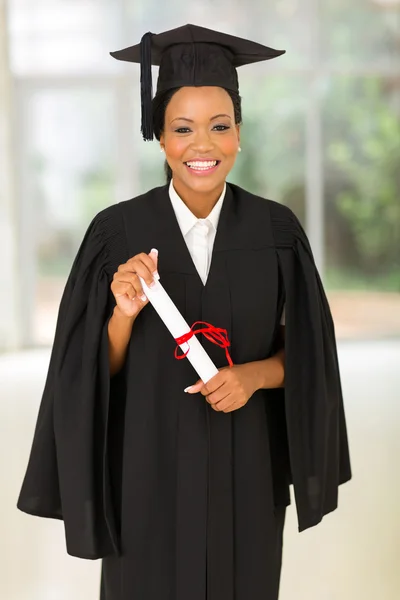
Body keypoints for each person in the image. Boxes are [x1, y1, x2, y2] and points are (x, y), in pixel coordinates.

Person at [17, 24, 351, 600]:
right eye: (183, 128)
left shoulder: (277, 232)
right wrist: (123, 312)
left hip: (246, 465)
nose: (203, 145)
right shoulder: (116, 233)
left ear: (239, 135)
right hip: (146, 466)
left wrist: (254, 375)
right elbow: (89, 372)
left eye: (220, 126)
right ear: (161, 137)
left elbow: (310, 354)